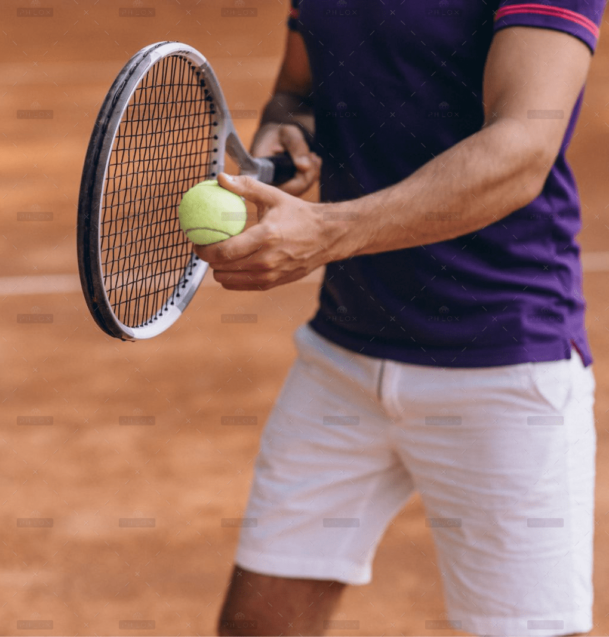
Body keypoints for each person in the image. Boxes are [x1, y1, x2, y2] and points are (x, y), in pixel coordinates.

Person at [195, 1, 605, 635]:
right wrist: (289, 127)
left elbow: (523, 147)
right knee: (257, 627)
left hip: (500, 363)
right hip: (343, 356)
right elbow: (299, 86)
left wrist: (329, 231)